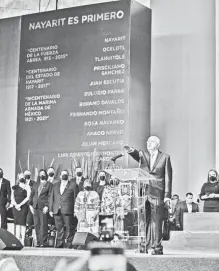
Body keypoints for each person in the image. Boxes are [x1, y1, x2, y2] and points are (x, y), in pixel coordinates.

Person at [124, 135, 172, 255]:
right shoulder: (143, 155)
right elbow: (136, 155)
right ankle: (143, 246)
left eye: (151, 142)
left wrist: (167, 195)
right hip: (144, 191)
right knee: (143, 220)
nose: (148, 143)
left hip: (158, 192)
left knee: (156, 221)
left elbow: (168, 177)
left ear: (157, 144)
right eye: (147, 141)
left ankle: (157, 247)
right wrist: (131, 151)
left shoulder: (165, 157)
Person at [49, 170, 75, 248]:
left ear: (68, 176)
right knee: (59, 227)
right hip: (57, 210)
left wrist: (75, 210)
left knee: (68, 227)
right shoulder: (55, 185)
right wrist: (50, 209)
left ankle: (68, 244)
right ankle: (60, 244)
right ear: (60, 176)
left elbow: (75, 198)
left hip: (68, 210)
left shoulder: (73, 185)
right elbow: (51, 197)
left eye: (66, 174)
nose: (64, 175)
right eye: (63, 174)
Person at [29, 169, 52, 247]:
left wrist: (47, 206)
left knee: (43, 225)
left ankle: (43, 242)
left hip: (43, 207)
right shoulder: (36, 184)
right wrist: (30, 205)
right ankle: (39, 242)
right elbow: (31, 195)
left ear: (46, 175)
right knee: (37, 224)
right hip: (35, 207)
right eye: (40, 174)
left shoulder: (49, 184)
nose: (42, 175)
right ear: (39, 176)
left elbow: (50, 197)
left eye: (43, 174)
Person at [11, 173, 31, 245]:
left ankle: (22, 240)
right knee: (17, 224)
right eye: (20, 177)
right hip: (15, 207)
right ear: (18, 178)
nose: (22, 178)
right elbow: (12, 197)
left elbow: (28, 197)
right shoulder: (14, 187)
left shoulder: (27, 187)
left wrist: (20, 205)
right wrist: (16, 205)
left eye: (23, 177)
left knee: (22, 223)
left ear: (24, 178)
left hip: (23, 207)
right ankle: (17, 240)